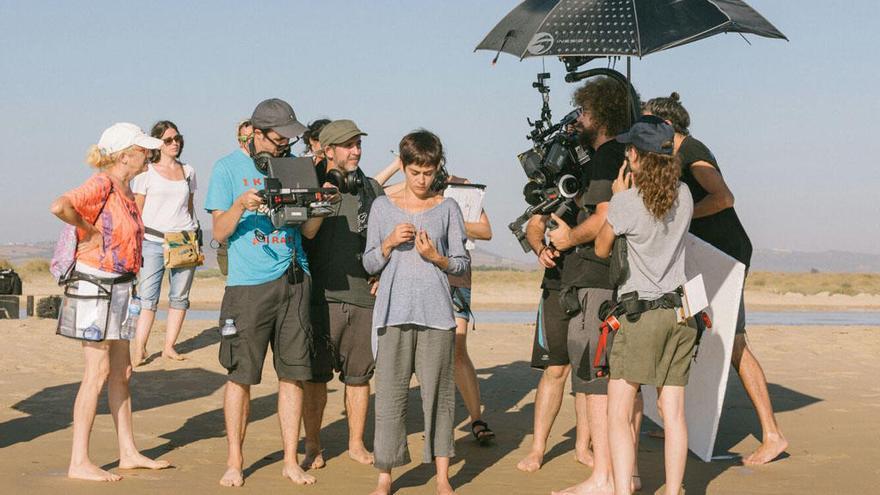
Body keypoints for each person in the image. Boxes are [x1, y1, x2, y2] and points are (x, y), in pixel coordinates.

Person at [644, 93, 788, 465]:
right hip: (700, 260)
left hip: (725, 259)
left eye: (647, 122)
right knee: (691, 331)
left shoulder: (693, 152)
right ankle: (679, 419)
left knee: (734, 342)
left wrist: (684, 219)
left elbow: (724, 198)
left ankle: (772, 435)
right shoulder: (672, 157)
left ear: (667, 126)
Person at [205, 98, 324, 487]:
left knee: (292, 375)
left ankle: (291, 460)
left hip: (295, 280)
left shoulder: (295, 166)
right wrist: (241, 204)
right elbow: (219, 233)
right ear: (255, 134)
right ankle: (235, 461)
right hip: (246, 287)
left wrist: (319, 207)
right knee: (240, 375)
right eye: (277, 138)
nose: (284, 145)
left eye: (290, 138)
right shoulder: (226, 168)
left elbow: (306, 232)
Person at [50, 122, 170, 481]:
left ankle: (128, 452)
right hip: (95, 286)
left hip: (119, 288)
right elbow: (60, 205)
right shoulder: (102, 183)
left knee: (123, 372)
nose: (149, 155)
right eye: (143, 150)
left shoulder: (126, 188)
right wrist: (86, 231)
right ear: (124, 155)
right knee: (97, 373)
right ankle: (78, 461)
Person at [548, 76, 642, 494]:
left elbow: (606, 214)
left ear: (599, 113)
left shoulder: (607, 156)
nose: (580, 119)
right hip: (629, 282)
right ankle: (627, 473)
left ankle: (604, 477)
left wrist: (568, 237)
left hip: (598, 282)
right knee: (626, 383)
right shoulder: (638, 155)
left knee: (597, 380)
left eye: (584, 112)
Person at [363, 130, 468, 495]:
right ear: (404, 167)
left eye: (428, 172)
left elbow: (461, 266)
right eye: (415, 172)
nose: (422, 180)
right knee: (390, 397)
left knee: (439, 397)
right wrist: (389, 242)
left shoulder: (448, 208)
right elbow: (368, 261)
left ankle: (442, 476)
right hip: (392, 314)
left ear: (437, 168)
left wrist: (435, 257)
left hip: (438, 316)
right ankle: (385, 476)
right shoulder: (382, 208)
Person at [594, 116, 695, 495]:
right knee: (674, 413)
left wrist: (619, 197)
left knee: (617, 414)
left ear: (635, 155)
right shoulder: (684, 195)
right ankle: (672, 490)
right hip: (681, 314)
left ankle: (622, 490)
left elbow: (603, 248)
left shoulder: (627, 203)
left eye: (628, 149)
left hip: (641, 315)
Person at [372, 162, 496, 445]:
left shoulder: (462, 188)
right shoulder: (407, 187)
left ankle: (476, 417)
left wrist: (441, 218)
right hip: (415, 279)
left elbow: (486, 231)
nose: (426, 174)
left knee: (457, 347)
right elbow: (376, 190)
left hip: (454, 276)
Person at [300, 119, 383, 468]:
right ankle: (313, 446)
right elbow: (304, 235)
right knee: (316, 378)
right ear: (328, 150)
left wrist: (382, 272)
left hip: (362, 297)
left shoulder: (372, 189)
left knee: (359, 377)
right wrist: (322, 198)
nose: (356, 151)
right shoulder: (310, 185)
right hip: (319, 295)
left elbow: (383, 238)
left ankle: (355, 444)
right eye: (348, 145)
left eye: (358, 144)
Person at [131, 120, 199, 364]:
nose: (175, 143)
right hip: (152, 239)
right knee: (147, 298)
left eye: (177, 138)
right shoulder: (145, 173)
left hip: (183, 239)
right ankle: (139, 347)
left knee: (180, 297)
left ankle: (169, 346)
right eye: (169, 139)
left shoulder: (188, 171)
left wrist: (195, 235)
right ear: (158, 143)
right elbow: (137, 211)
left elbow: (189, 207)